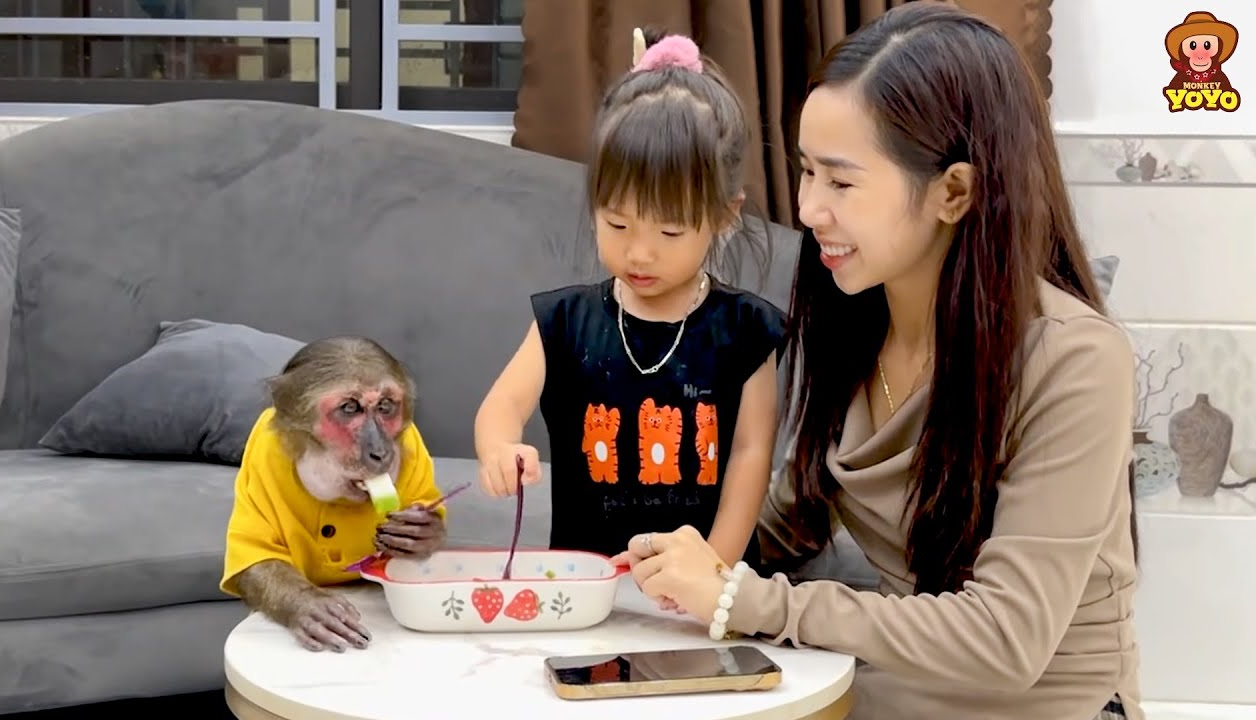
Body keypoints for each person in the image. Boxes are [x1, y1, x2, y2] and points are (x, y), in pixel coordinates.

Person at [611, 4, 1143, 719]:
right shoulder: (856, 319)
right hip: (895, 696)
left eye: (840, 182)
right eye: (804, 172)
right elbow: (788, 523)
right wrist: (669, 551)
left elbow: (1008, 639)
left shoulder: (1075, 360)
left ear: (954, 192)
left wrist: (749, 599)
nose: (807, 209)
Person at [473, 29, 787, 571]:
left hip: (707, 585)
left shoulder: (745, 330)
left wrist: (715, 569)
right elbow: (503, 406)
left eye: (669, 233)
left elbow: (750, 453)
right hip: (585, 581)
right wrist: (501, 448)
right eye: (617, 223)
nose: (639, 253)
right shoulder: (565, 321)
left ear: (723, 217)